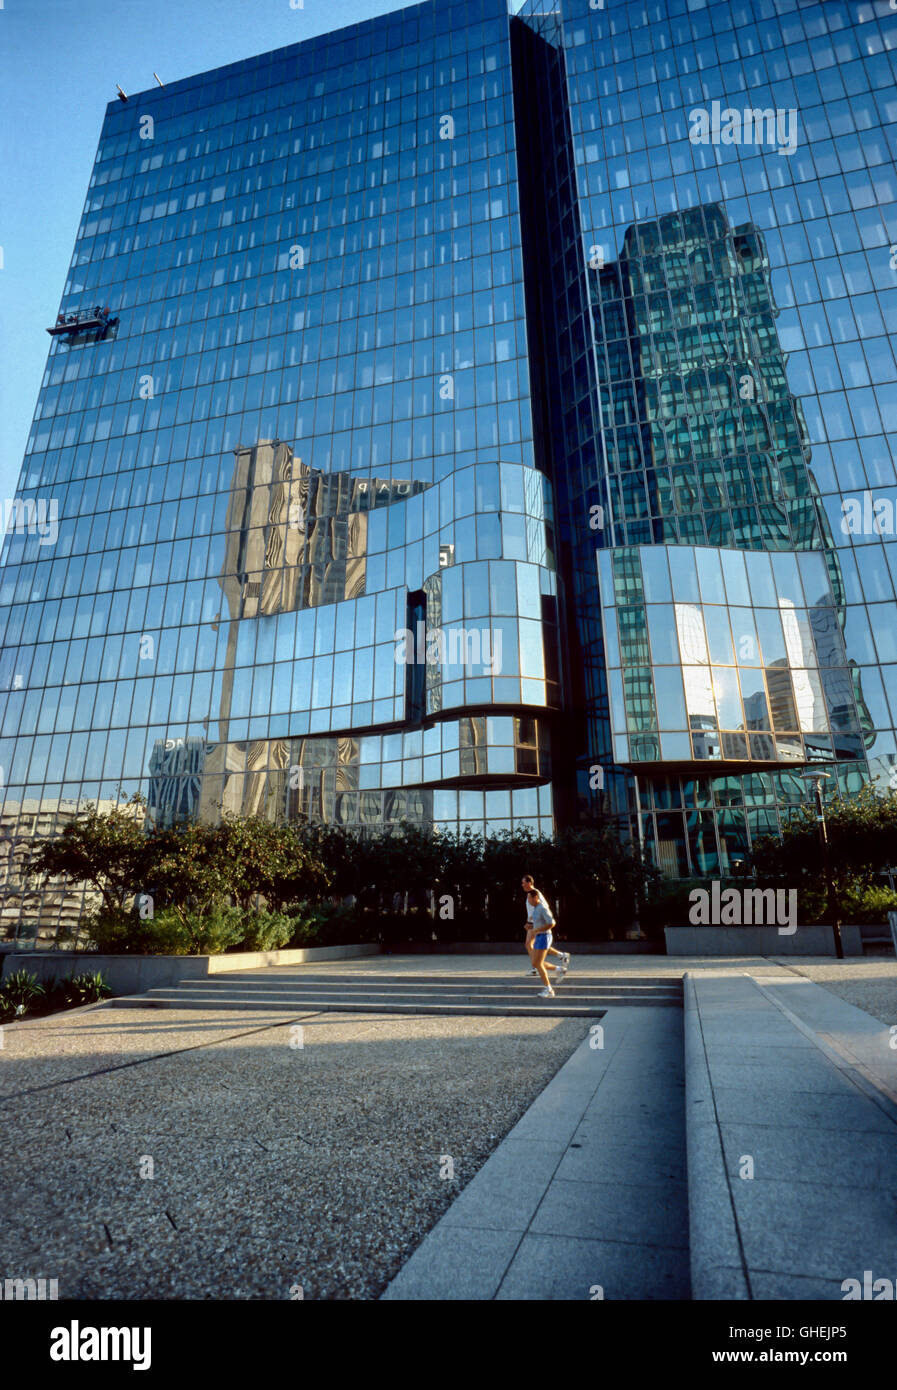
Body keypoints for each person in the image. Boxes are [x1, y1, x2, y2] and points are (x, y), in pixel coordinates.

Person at [521, 874, 570, 978]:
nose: (522, 885)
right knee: (535, 945)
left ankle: (536, 967)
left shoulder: (535, 893)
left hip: (537, 925)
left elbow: (543, 907)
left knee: (530, 944)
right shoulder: (530, 894)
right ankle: (561, 956)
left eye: (523, 883)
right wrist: (528, 921)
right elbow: (532, 911)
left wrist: (534, 923)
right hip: (533, 923)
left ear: (529, 883)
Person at [527, 891, 559, 998]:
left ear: (536, 897)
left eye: (530, 898)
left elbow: (552, 922)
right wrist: (531, 928)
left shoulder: (542, 908)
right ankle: (558, 969)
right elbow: (539, 924)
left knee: (538, 964)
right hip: (539, 937)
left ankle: (549, 989)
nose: (528, 901)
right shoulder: (536, 909)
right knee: (535, 963)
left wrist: (538, 930)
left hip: (544, 936)